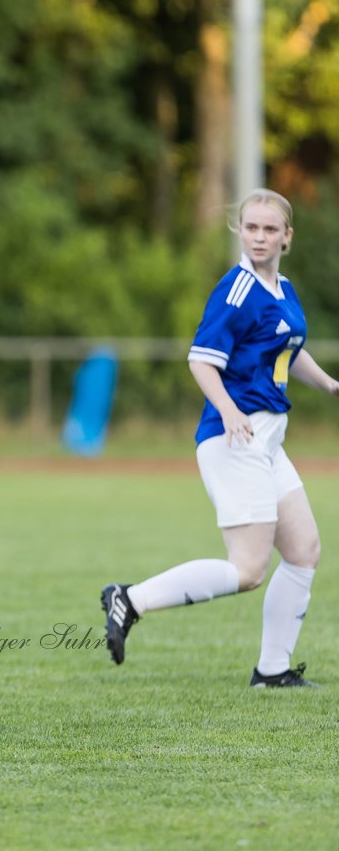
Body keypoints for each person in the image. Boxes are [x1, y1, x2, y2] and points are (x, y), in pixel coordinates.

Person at [101, 189, 333, 687]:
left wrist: (332, 385)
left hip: (268, 442)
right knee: (248, 570)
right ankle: (130, 599)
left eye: (270, 229)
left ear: (287, 237)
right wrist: (228, 410)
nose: (260, 237)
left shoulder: (282, 289)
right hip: (236, 438)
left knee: (303, 551)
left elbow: (290, 351)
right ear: (240, 231)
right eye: (251, 228)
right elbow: (201, 360)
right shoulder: (237, 291)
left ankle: (272, 672)